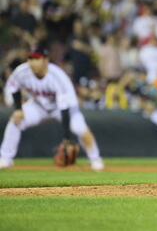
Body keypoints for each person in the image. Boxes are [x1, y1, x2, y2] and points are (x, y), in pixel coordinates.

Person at [0, 43, 104, 171]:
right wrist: (18, 109)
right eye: (30, 58)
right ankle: (5, 159)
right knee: (15, 120)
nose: (33, 62)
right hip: (38, 106)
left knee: (81, 129)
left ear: (45, 60)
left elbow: (64, 109)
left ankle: (95, 159)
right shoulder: (22, 71)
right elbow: (14, 87)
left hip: (61, 109)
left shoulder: (58, 76)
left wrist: (67, 137)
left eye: (36, 58)